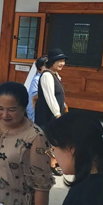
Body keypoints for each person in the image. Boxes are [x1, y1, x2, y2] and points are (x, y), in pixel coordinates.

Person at [36, 48, 69, 176]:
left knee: (54, 139)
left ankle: (52, 163)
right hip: (47, 113)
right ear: (52, 62)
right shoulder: (47, 75)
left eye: (63, 61)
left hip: (54, 113)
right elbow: (50, 97)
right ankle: (49, 164)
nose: (62, 64)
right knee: (48, 138)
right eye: (59, 61)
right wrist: (57, 114)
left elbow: (59, 96)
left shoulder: (55, 75)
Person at [27, 56, 49, 122]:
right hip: (36, 112)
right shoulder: (37, 80)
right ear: (41, 67)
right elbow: (34, 98)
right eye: (47, 65)